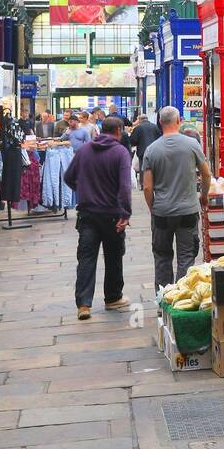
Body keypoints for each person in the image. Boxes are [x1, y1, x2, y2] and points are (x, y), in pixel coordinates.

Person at [62, 115, 133, 320]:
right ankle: (112, 298)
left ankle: (84, 305)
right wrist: (125, 213)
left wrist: (83, 190)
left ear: (102, 130)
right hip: (112, 215)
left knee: (86, 258)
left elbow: (68, 177)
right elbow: (125, 187)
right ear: (119, 131)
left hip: (87, 215)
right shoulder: (120, 152)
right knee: (113, 256)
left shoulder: (84, 151)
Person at [142, 106, 211, 289]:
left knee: (162, 256)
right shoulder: (192, 145)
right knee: (186, 256)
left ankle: (163, 297)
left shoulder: (151, 150)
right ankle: (182, 296)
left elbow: (147, 187)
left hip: (162, 212)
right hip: (188, 210)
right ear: (178, 121)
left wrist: (153, 209)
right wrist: (203, 196)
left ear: (159, 123)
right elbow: (206, 174)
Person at [129, 113, 161, 186]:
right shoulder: (155, 127)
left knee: (143, 168)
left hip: (142, 151)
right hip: (154, 151)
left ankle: (144, 184)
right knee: (153, 167)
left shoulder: (138, 128)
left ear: (140, 120)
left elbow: (133, 141)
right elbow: (159, 138)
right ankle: (154, 183)